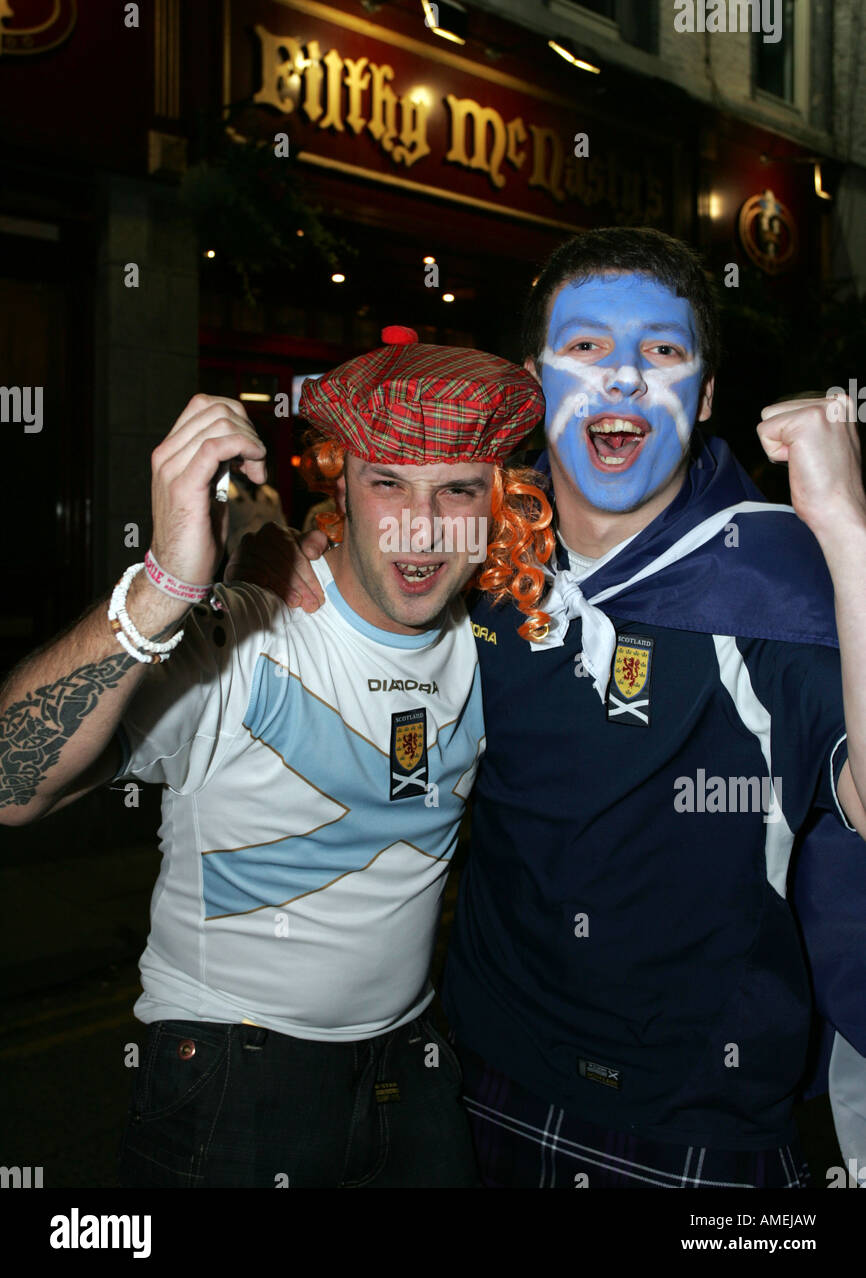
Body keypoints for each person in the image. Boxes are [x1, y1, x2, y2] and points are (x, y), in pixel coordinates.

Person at [247, 229, 866, 1188]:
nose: (621, 378)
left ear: (704, 398)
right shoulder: (481, 553)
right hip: (481, 1080)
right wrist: (283, 549)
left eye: (660, 352)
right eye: (584, 349)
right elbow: (354, 588)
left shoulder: (774, 576)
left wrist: (847, 532)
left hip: (699, 1117)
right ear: (539, 387)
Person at [0, 325, 552, 1188]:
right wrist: (162, 589)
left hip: (413, 1064)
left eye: (455, 490)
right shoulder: (245, 632)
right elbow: (10, 784)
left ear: (498, 505)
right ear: (342, 486)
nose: (419, 526)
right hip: (232, 1076)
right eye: (388, 483)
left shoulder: (495, 638)